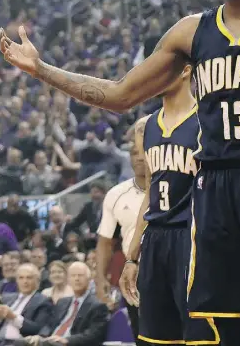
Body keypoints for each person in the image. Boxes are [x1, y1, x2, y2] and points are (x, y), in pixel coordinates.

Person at [0, 0, 240, 345]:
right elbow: (118, 94)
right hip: (215, 194)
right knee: (223, 328)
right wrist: (42, 70)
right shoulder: (191, 31)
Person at [119, 65, 214, 344]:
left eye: (160, 67)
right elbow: (149, 191)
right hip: (155, 239)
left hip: (192, 237)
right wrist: (131, 257)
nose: (152, 75)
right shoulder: (145, 126)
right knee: (155, 338)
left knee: (197, 335)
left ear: (185, 70)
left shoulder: (206, 119)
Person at [95, 138, 146, 344]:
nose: (140, 157)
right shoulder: (116, 194)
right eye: (134, 153)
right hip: (134, 272)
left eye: (145, 151)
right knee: (140, 334)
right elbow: (105, 242)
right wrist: (100, 278)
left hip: (174, 268)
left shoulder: (177, 186)